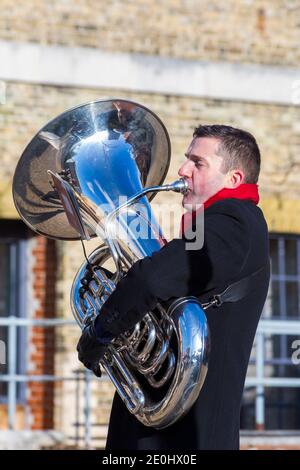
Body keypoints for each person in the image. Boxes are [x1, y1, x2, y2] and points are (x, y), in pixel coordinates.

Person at [77, 125, 270, 450]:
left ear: (234, 179)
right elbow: (158, 283)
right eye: (186, 160)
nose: (182, 170)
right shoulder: (215, 225)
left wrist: (100, 332)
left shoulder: (235, 221)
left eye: (198, 163)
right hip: (162, 431)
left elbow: (152, 279)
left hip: (182, 438)